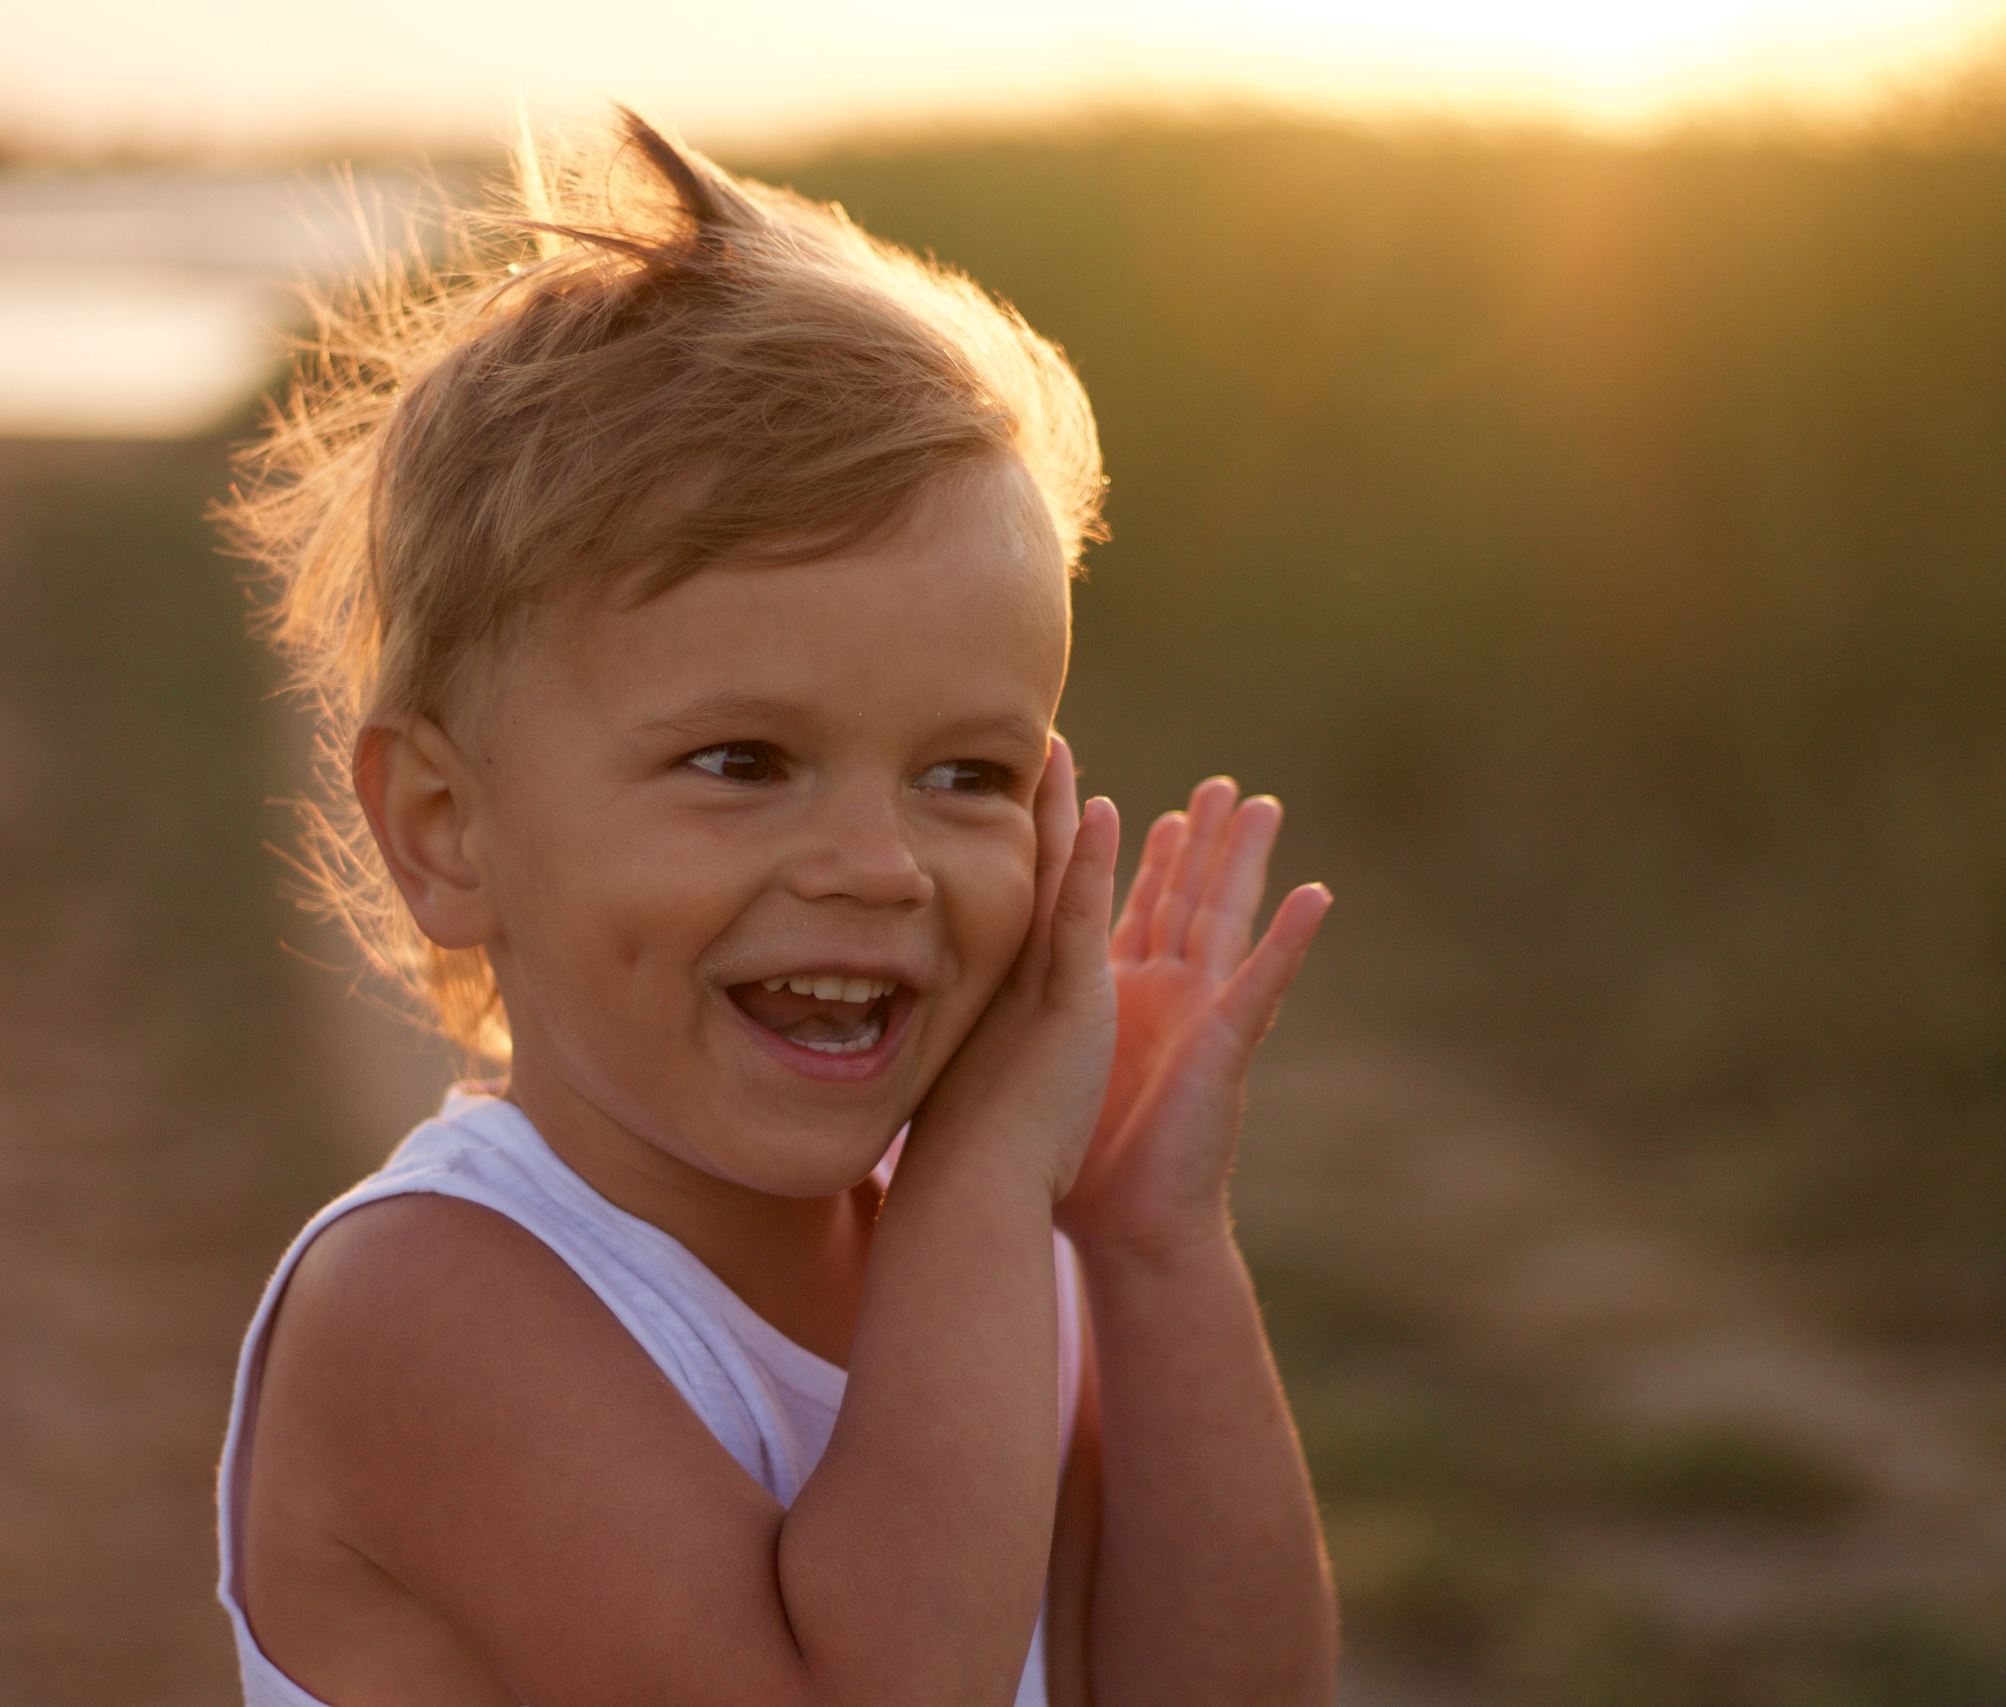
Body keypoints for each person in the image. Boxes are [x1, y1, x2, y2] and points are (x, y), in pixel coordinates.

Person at [215, 110, 1336, 1706]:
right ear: (447, 827)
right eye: (745, 761)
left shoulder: (994, 1263)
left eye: (962, 775)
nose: (878, 865)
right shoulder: (426, 1308)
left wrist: (1152, 1245)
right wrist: (988, 1183)